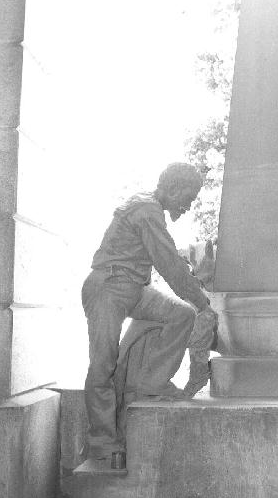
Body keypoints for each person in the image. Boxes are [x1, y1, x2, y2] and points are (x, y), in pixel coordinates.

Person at [81, 162, 216, 462]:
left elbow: (168, 262)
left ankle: (151, 383)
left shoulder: (151, 208)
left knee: (182, 315)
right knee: (103, 363)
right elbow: (168, 263)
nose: (188, 205)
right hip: (107, 287)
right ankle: (102, 440)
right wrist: (204, 303)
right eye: (188, 197)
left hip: (133, 289)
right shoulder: (147, 210)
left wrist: (196, 304)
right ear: (172, 187)